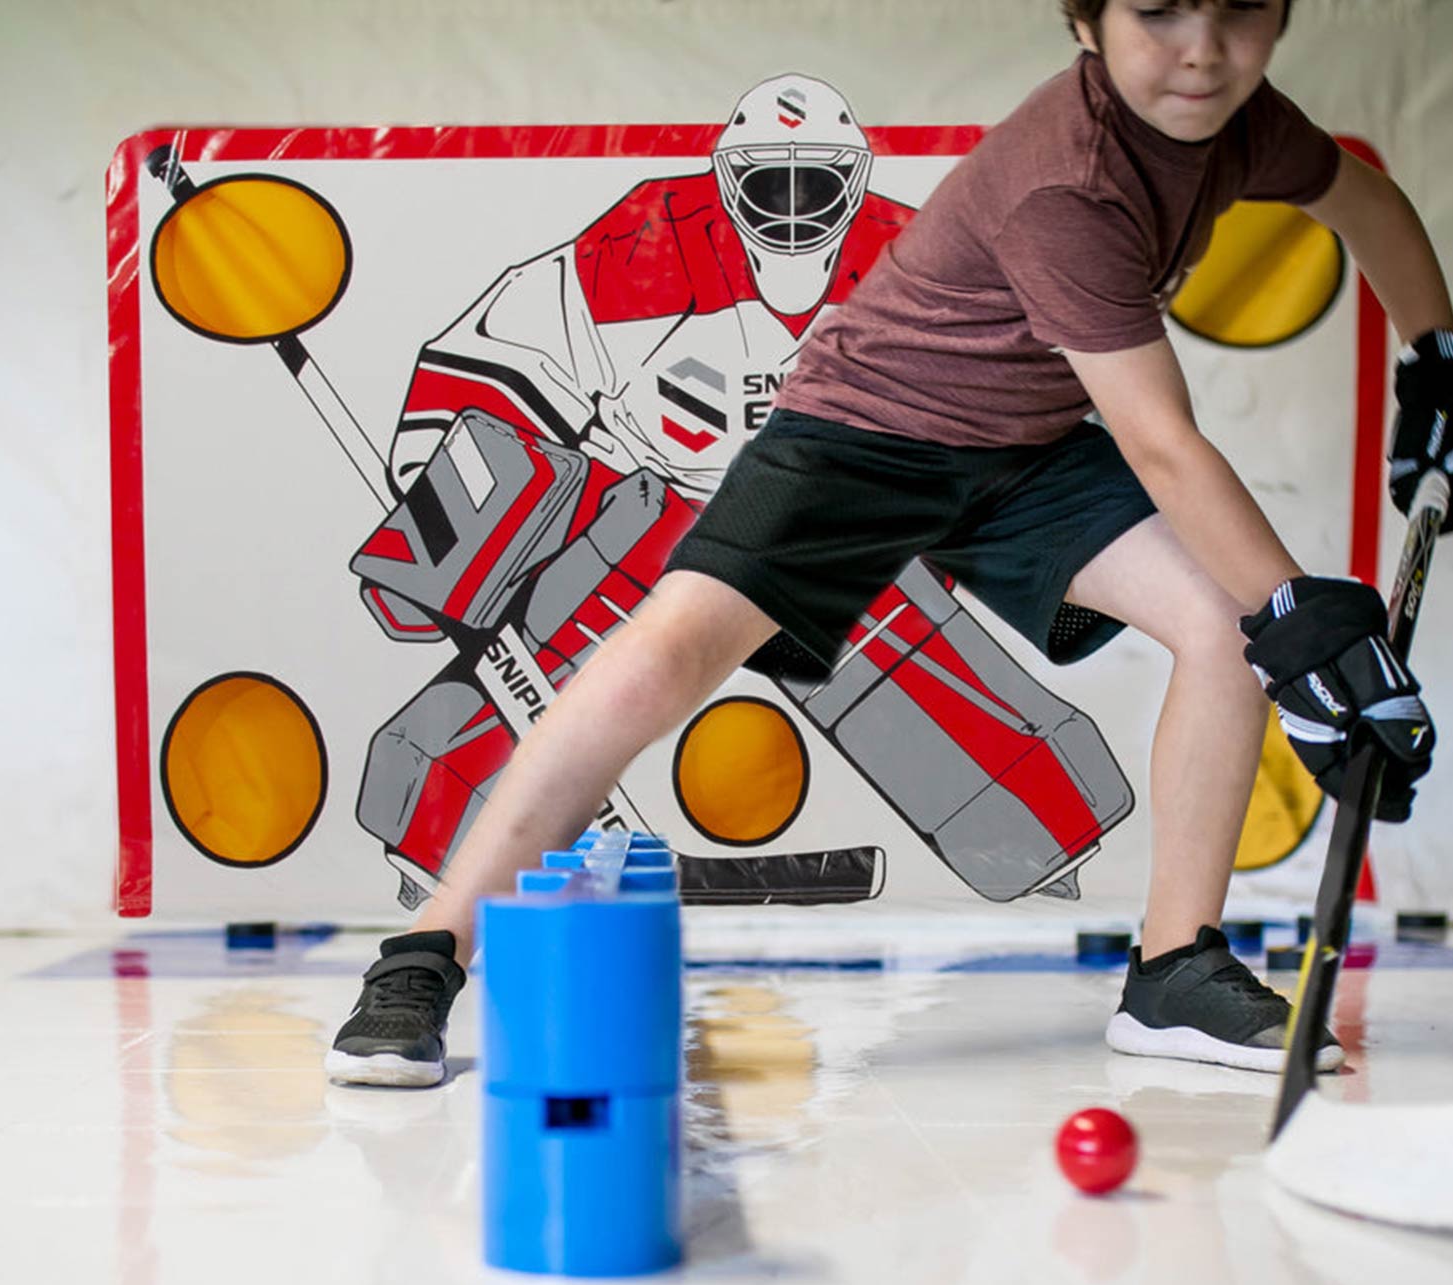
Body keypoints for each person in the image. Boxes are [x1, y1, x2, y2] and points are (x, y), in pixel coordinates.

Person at [327, 0, 1453, 1088]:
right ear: (1084, 22)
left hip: (1025, 449)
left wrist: (1436, 356)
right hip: (864, 436)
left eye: (1240, 8)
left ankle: (1172, 972)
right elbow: (1163, 443)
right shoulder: (1068, 182)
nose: (1202, 50)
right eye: (1157, 12)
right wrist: (1307, 624)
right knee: (657, 660)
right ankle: (424, 955)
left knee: (1217, 623)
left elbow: (1363, 201)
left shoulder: (1241, 122)